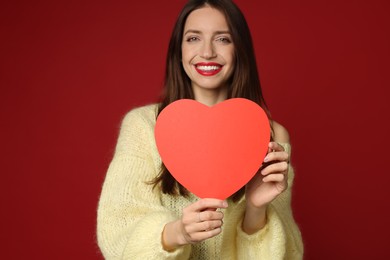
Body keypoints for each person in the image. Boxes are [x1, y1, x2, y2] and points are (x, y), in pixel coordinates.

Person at [97, 0, 303, 259]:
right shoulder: (143, 126)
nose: (207, 52)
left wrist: (256, 209)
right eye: (193, 38)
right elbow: (117, 235)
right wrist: (177, 234)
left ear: (240, 49)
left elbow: (285, 254)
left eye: (223, 39)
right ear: (178, 49)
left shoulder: (272, 135)